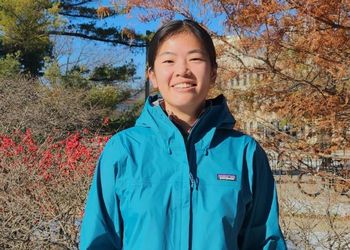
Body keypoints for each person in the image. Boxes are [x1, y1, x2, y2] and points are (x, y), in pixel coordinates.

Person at [80, 19, 287, 250]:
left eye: (195, 59)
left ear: (213, 72)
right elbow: (99, 240)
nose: (182, 71)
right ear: (152, 75)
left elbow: (264, 242)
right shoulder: (124, 150)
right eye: (169, 60)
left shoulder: (244, 153)